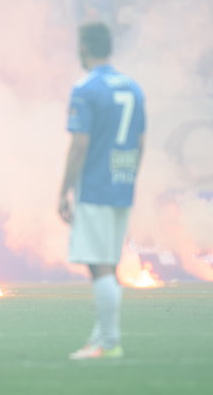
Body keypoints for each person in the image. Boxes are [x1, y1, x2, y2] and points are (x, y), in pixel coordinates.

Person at [58, 22, 146, 360]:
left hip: (95, 187)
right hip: (122, 184)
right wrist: (128, 177)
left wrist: (63, 190)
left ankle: (108, 343)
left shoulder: (85, 88)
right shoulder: (133, 87)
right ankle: (102, 336)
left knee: (99, 266)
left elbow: (79, 144)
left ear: (84, 48)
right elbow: (141, 142)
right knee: (109, 263)